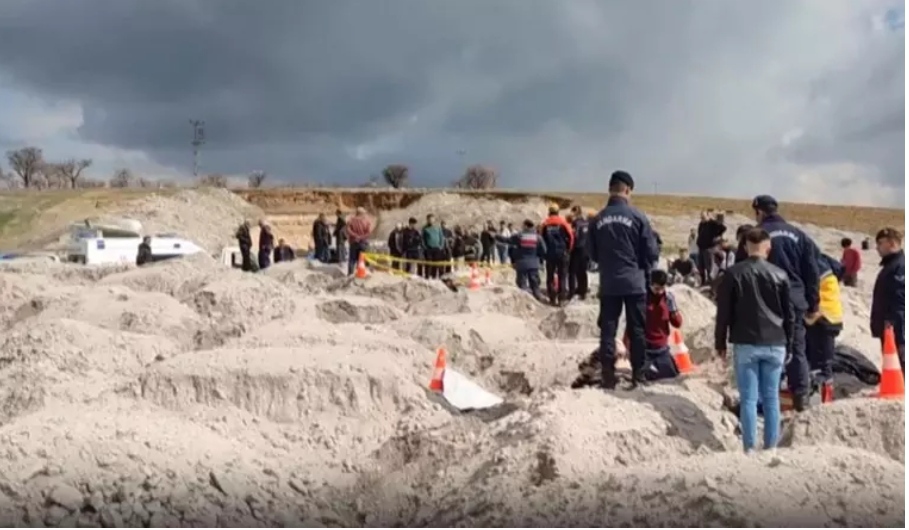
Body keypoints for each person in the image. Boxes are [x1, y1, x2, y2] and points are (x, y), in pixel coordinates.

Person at [714, 227, 793, 453]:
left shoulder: (733, 274)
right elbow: (790, 314)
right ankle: (771, 447)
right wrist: (791, 342)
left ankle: (749, 447)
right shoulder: (780, 274)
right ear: (768, 247)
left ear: (746, 246)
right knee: (771, 398)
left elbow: (724, 313)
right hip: (775, 342)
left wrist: (720, 343)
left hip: (746, 341)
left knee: (748, 398)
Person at [590, 170, 659, 389]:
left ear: (610, 189)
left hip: (609, 282)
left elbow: (590, 253)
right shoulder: (638, 217)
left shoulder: (598, 219)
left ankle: (608, 376)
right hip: (634, 281)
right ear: (628, 190)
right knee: (637, 329)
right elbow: (651, 252)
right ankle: (638, 375)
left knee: (608, 330)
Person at [753, 195, 820, 412]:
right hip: (795, 298)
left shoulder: (758, 236)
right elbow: (812, 272)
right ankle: (801, 398)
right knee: (797, 349)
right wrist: (813, 304)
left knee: (765, 348)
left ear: (759, 212)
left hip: (766, 300)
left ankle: (765, 398)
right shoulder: (799, 235)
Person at [806, 253, 844, 402]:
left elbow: (812, 293)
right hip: (831, 317)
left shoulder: (814, 267)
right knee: (822, 362)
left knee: (820, 364)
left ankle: (822, 401)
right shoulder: (826, 265)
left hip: (822, 318)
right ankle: (823, 398)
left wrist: (809, 315)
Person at [870, 227, 905, 374]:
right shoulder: (890, 266)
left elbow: (900, 300)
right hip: (889, 327)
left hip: (897, 328)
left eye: (880, 243)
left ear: (891, 243)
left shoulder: (899, 267)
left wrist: (894, 325)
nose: (877, 247)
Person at [639, 269, 683, 381]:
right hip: (645, 349)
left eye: (662, 288)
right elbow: (633, 324)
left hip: (662, 349)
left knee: (673, 375)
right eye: (656, 289)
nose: (659, 292)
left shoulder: (668, 298)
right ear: (650, 285)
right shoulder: (643, 298)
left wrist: (673, 310)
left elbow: (677, 323)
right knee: (643, 375)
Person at [540, 204, 574, 305]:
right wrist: (568, 250)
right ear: (558, 212)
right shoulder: (563, 223)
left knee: (550, 277)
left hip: (550, 254)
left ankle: (552, 298)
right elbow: (571, 238)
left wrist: (544, 253)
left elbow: (541, 240)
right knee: (562, 277)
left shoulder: (545, 224)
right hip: (562, 253)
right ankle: (561, 299)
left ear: (549, 212)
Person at [506, 219, 546, 299]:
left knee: (522, 286)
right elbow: (544, 250)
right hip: (534, 264)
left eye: (522, 225)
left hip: (521, 263)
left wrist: (496, 236)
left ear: (525, 226)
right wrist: (537, 257)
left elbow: (508, 240)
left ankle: (524, 302)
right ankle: (538, 300)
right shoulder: (538, 237)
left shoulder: (519, 236)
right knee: (535, 285)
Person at [696, 211, 726, 285]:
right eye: (701, 217)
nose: (702, 219)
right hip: (701, 248)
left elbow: (723, 228)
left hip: (709, 248)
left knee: (709, 266)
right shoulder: (701, 224)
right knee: (701, 267)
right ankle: (702, 282)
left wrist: (714, 220)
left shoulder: (712, 223)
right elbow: (699, 233)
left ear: (708, 216)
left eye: (703, 217)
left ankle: (711, 283)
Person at [568, 206, 591, 300]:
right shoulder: (586, 223)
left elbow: (574, 236)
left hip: (577, 249)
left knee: (572, 271)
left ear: (575, 213)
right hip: (586, 249)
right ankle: (583, 290)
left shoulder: (576, 223)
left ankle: (572, 292)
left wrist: (569, 248)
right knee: (582, 271)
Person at [346, 207, 372, 275]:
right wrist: (361, 237)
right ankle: (360, 274)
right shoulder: (366, 221)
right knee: (362, 260)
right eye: (364, 213)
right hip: (363, 243)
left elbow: (348, 230)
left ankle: (350, 274)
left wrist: (355, 236)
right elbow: (368, 232)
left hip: (354, 242)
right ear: (362, 213)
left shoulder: (351, 220)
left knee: (352, 260)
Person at [422, 214, 445, 279]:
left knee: (437, 264)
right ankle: (427, 277)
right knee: (429, 264)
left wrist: (441, 246)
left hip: (437, 248)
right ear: (427, 220)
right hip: (429, 249)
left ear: (434, 219)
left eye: (432, 219)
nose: (431, 220)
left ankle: (436, 277)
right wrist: (425, 247)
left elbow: (441, 237)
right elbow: (422, 239)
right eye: (429, 219)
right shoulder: (425, 228)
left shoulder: (438, 227)